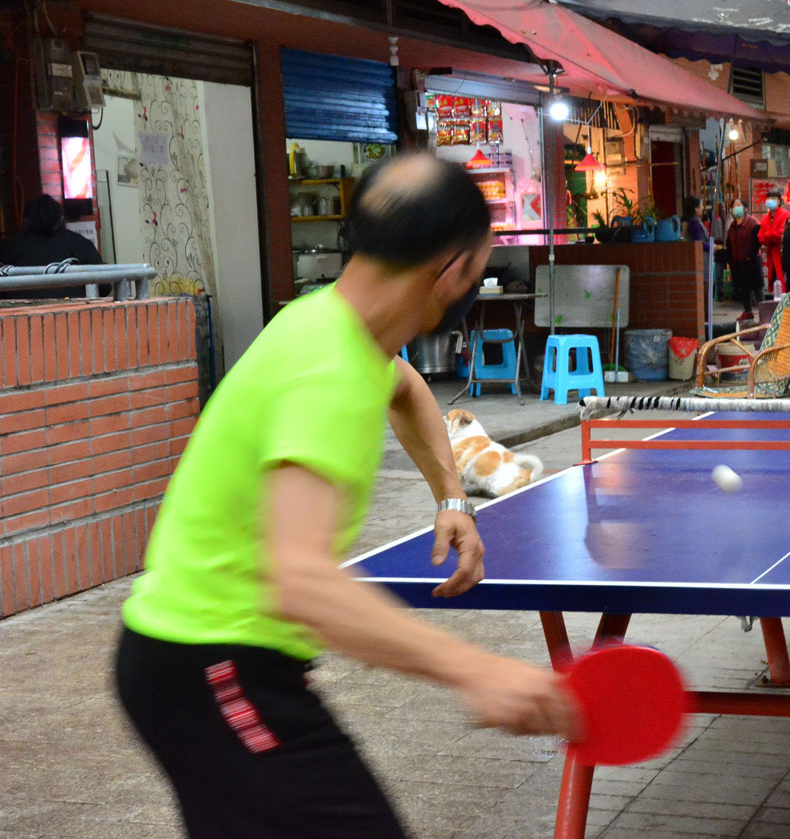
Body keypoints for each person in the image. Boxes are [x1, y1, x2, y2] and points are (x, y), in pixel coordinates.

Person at [114, 153, 575, 839]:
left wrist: (452, 499)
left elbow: (407, 390)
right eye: (476, 272)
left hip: (194, 662)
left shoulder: (334, 325)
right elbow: (297, 580)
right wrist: (474, 668)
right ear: (452, 271)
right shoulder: (326, 371)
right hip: (213, 663)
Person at [0, 194, 105, 298]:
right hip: (71, 310)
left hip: (19, 312)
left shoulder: (9, 246)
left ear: (26, 220)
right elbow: (104, 285)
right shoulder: (79, 243)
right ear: (60, 217)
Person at [720, 201, 761, 321]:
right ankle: (747, 311)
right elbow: (729, 244)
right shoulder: (732, 226)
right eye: (733, 206)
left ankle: (764, 313)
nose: (735, 208)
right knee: (744, 289)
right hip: (737, 262)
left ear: (745, 209)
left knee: (757, 288)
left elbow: (757, 242)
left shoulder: (753, 223)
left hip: (751, 261)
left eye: (738, 206)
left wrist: (750, 256)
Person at [759, 189, 790, 296]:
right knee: (774, 279)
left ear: (779, 201)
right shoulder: (765, 218)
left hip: (783, 252)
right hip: (771, 253)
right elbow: (760, 237)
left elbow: (781, 234)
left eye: (773, 198)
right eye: (768, 198)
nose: (770, 201)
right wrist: (770, 235)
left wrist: (768, 235)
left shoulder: (785, 214)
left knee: (784, 279)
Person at [684, 195, 710, 297]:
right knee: (704, 286)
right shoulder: (694, 222)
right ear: (695, 208)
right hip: (701, 259)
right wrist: (711, 247)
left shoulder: (695, 221)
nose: (703, 208)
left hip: (703, 258)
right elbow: (698, 242)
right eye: (701, 205)